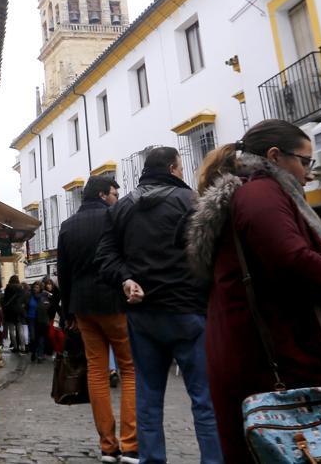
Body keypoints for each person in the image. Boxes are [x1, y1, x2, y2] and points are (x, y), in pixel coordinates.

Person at [185, 120, 321, 463]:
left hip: (259, 348)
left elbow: (278, 261)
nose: (308, 173)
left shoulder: (258, 193)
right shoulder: (261, 194)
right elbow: (295, 267)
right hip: (272, 356)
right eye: (304, 162)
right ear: (275, 156)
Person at [97, 147, 221, 464]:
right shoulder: (193, 202)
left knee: (148, 398)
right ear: (172, 169)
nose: (182, 172)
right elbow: (212, 256)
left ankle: (152, 460)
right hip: (189, 311)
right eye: (180, 167)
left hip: (144, 314)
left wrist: (126, 279)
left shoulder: (122, 207)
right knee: (205, 400)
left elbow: (105, 258)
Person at [57, 174, 137, 463]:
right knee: (129, 370)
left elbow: (63, 273)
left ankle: (107, 445)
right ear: (103, 195)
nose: (117, 197)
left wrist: (68, 312)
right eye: (114, 192)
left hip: (83, 306)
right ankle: (130, 444)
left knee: (97, 371)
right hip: (115, 302)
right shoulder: (116, 217)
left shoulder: (68, 225)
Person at [1, 276, 27, 353]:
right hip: (18, 311)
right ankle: (23, 347)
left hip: (9, 311)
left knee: (11, 330)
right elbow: (23, 300)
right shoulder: (21, 288)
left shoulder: (8, 288)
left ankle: (15, 347)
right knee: (20, 329)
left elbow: (5, 300)